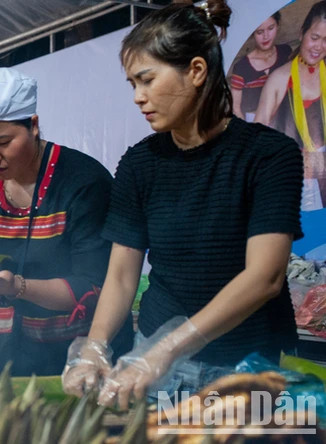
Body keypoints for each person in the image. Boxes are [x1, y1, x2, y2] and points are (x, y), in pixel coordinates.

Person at [62, 0, 303, 410]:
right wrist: (95, 347)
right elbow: (121, 275)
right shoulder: (140, 163)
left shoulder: (269, 155)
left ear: (196, 70)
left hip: (246, 367)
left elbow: (264, 277)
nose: (138, 97)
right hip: (158, 366)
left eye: (147, 80)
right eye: (132, 85)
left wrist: (165, 350)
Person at [0, 67, 133, 377]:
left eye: (3, 142)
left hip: (89, 352)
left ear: (33, 126)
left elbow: (95, 286)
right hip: (19, 350)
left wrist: (17, 286)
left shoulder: (82, 181)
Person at [256, 1, 326, 211]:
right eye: (315, 37)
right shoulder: (279, 80)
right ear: (302, 33)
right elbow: (257, 136)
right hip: (294, 179)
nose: (319, 47)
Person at [230, 12, 292, 121]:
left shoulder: (285, 52)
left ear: (278, 25)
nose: (266, 36)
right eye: (260, 32)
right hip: (254, 121)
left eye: (271, 28)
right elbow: (235, 108)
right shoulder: (242, 67)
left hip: (284, 117)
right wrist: (248, 129)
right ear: (252, 32)